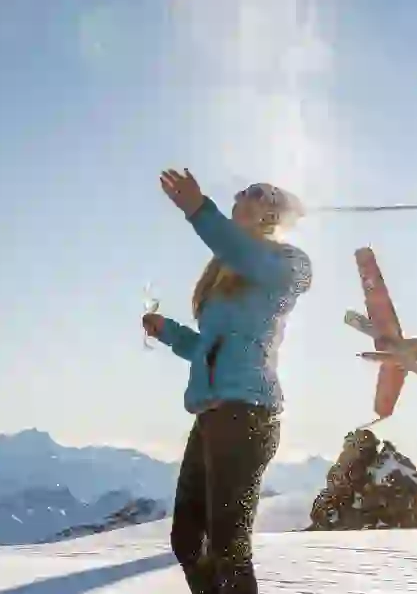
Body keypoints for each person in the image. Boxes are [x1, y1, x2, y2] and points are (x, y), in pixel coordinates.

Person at [143, 169, 312, 594]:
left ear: (270, 214)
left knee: (227, 546)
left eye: (253, 196)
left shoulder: (287, 265)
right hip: (212, 415)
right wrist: (169, 332)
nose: (240, 199)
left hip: (248, 414)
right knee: (186, 539)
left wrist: (199, 210)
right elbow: (208, 349)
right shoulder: (226, 274)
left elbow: (245, 254)